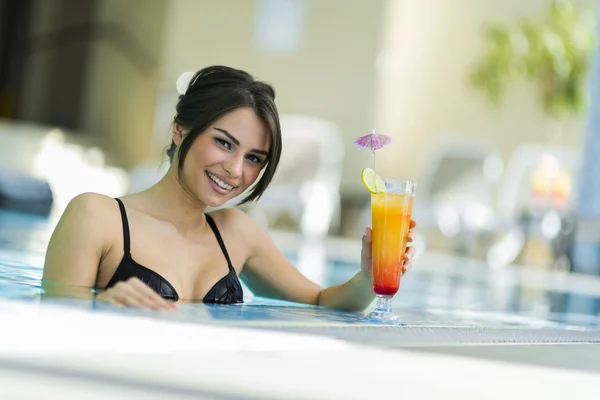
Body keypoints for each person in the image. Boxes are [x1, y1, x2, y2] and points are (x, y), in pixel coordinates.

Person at [42, 65, 417, 311]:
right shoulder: (96, 217)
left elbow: (320, 300)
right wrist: (101, 307)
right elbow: (46, 324)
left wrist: (368, 279)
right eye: (224, 143)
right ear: (181, 129)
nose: (236, 170)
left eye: (254, 158)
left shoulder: (236, 234)